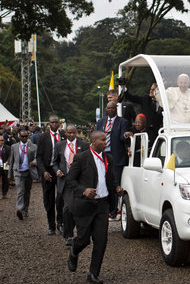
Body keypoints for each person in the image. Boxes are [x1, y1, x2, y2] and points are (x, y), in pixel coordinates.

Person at [66, 131, 123, 284]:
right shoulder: (81, 158)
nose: (106, 142)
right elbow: (70, 180)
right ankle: (74, 251)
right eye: (103, 140)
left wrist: (117, 188)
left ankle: (93, 274)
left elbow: (111, 180)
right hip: (85, 205)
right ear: (93, 141)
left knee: (101, 241)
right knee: (84, 239)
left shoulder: (108, 159)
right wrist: (84, 190)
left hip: (102, 206)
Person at [54, 124, 90, 246]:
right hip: (65, 181)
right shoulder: (59, 145)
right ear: (65, 133)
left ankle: (81, 233)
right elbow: (55, 162)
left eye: (73, 133)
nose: (71, 135)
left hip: (79, 181)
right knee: (67, 208)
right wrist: (57, 170)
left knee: (78, 207)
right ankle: (68, 235)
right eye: (68, 133)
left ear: (76, 133)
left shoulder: (83, 145)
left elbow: (88, 161)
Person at [96, 101, 129, 218]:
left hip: (116, 157)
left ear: (116, 109)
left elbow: (122, 137)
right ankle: (104, 209)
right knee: (102, 181)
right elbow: (96, 136)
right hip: (102, 155)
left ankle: (114, 211)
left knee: (114, 183)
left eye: (112, 108)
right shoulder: (101, 122)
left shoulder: (122, 122)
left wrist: (126, 135)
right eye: (108, 108)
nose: (109, 110)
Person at [36, 115, 66, 235]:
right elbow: (38, 157)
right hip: (48, 170)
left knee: (61, 198)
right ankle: (51, 225)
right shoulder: (43, 137)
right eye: (52, 123)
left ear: (59, 124)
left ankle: (60, 223)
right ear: (48, 124)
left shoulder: (63, 135)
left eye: (56, 122)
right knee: (48, 200)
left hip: (60, 170)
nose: (54, 124)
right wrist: (43, 172)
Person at [9, 130, 37, 220]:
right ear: (19, 136)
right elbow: (11, 160)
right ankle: (19, 209)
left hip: (28, 171)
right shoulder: (14, 146)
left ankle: (25, 209)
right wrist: (9, 174)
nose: (24, 138)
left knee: (27, 192)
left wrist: (34, 162)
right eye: (22, 136)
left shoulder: (33, 146)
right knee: (20, 190)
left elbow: (37, 157)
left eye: (26, 136)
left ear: (28, 136)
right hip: (18, 171)